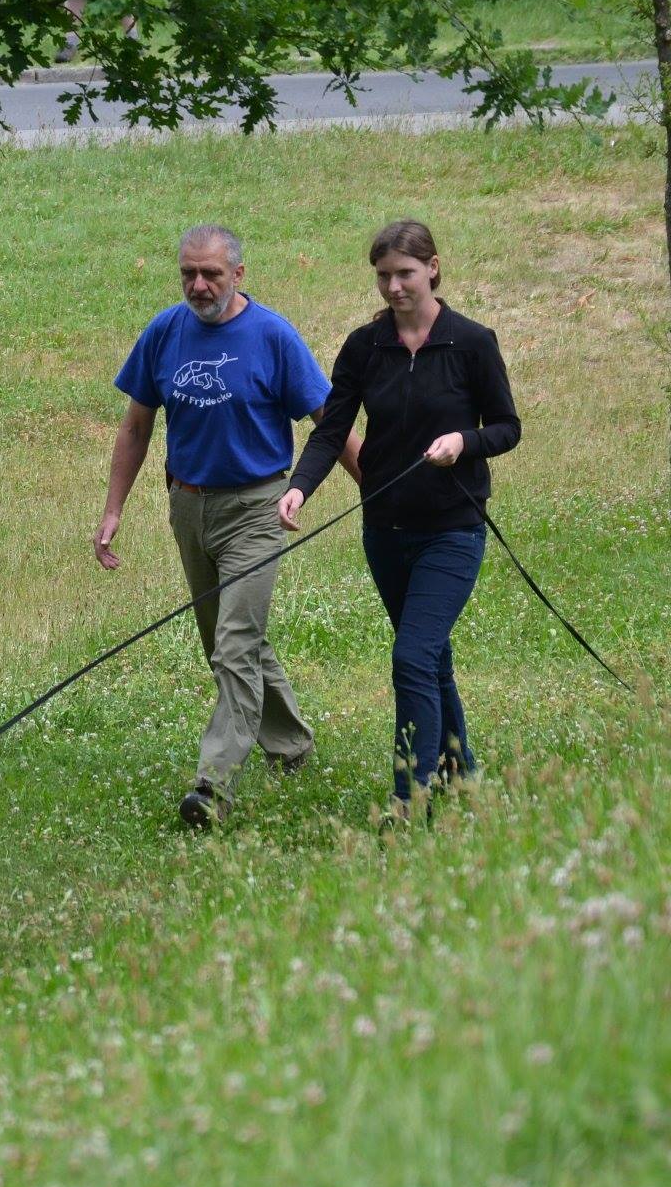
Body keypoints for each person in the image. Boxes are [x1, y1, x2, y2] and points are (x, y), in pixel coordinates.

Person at [97, 224, 361, 828]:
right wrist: (114, 509)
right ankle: (291, 745)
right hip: (189, 507)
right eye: (188, 273)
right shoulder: (165, 332)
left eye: (211, 273)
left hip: (258, 509)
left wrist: (375, 486)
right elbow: (136, 427)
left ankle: (212, 787)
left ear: (238, 274)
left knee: (235, 644)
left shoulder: (271, 335)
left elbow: (331, 420)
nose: (198, 284)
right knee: (226, 638)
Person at [277, 220, 520, 819]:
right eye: (383, 276)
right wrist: (299, 489)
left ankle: (409, 797)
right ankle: (463, 773)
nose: (393, 287)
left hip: (453, 528)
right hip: (384, 528)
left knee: (412, 656)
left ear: (433, 268)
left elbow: (507, 428)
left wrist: (464, 441)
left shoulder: (471, 342)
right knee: (429, 656)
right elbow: (332, 429)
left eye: (405, 274)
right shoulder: (365, 347)